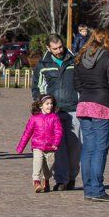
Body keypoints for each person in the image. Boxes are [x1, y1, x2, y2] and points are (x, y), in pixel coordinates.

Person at [74, 28, 109, 202]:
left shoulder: (80, 58)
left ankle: (88, 188)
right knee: (100, 150)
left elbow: (77, 84)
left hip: (84, 104)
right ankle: (97, 189)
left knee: (88, 147)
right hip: (102, 104)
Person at [32, 33, 80, 191]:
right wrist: (42, 107)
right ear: (48, 48)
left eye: (60, 47)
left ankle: (72, 177)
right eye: (55, 48)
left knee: (75, 148)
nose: (59, 50)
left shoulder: (74, 60)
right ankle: (61, 179)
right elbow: (37, 88)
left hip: (74, 109)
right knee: (58, 148)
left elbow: (81, 82)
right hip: (54, 113)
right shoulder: (43, 64)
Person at [16, 95, 63, 193]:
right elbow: (27, 133)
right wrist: (21, 147)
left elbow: (59, 132)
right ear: (41, 105)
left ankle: (46, 180)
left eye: (51, 104)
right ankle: (36, 181)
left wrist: (56, 143)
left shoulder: (54, 117)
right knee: (38, 160)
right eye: (47, 104)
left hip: (51, 147)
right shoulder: (34, 118)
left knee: (49, 165)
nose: (49, 106)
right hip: (38, 146)